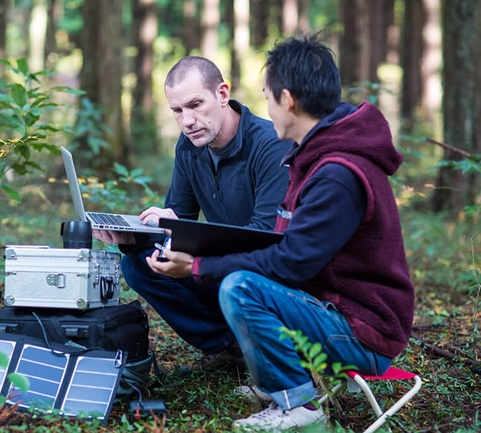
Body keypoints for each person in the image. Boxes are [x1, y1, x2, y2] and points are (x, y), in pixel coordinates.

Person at [147, 34, 415, 432]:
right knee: (242, 280)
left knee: (242, 287)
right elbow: (286, 250)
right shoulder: (315, 156)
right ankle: (272, 377)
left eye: (268, 97)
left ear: (287, 99)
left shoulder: (337, 174)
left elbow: (290, 261)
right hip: (329, 310)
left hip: (363, 332)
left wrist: (200, 265)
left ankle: (299, 405)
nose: (265, 109)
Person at [93, 56, 291, 372]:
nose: (187, 120)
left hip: (268, 274)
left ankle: (267, 346)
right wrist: (134, 237)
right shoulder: (188, 148)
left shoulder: (270, 145)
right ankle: (232, 348)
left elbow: (265, 239)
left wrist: (192, 254)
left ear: (222, 95)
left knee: (232, 274)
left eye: (195, 104)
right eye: (177, 111)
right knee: (140, 263)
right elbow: (177, 224)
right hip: (223, 267)